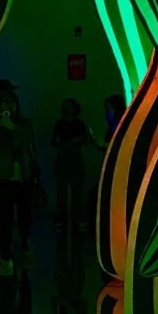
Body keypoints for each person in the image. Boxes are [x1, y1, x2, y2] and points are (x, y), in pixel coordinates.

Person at [0, 92, 38, 276]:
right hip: (3, 177)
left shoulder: (25, 123)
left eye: (12, 103)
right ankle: (5, 253)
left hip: (23, 176)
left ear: (17, 105)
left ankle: (25, 242)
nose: (9, 107)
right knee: (5, 216)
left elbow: (27, 141)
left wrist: (13, 127)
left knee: (24, 214)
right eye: (6, 103)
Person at [50, 98, 93, 237]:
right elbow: (53, 141)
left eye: (69, 107)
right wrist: (65, 145)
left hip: (75, 158)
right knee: (62, 193)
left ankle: (76, 221)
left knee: (77, 192)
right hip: (64, 158)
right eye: (65, 107)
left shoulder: (80, 124)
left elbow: (86, 141)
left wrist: (76, 141)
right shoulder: (59, 124)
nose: (67, 109)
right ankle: (62, 221)